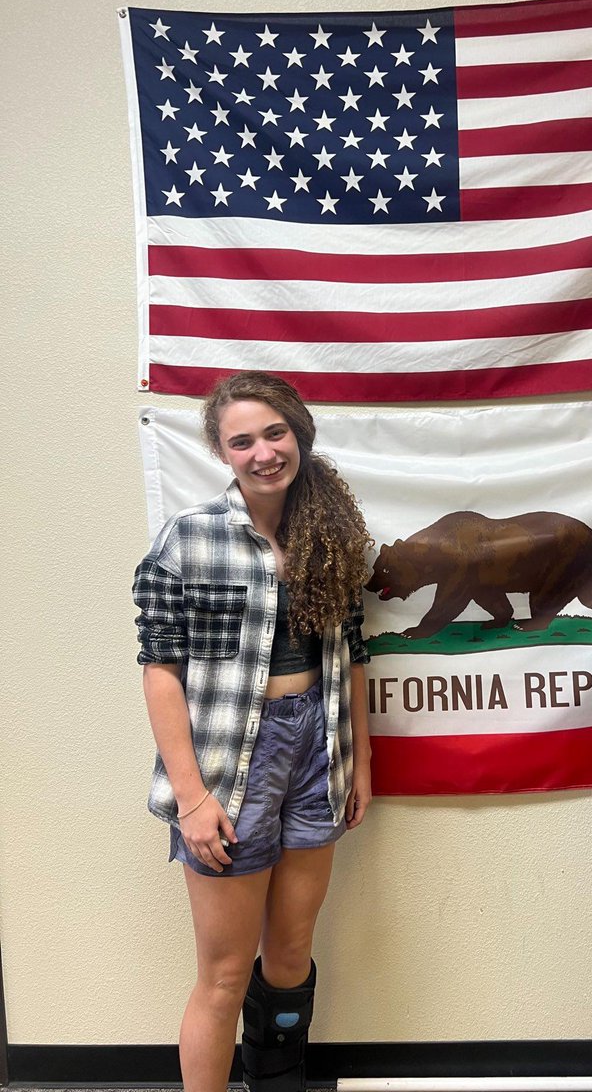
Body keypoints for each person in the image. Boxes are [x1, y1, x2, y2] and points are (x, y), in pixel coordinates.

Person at [133, 372, 373, 1092]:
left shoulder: (331, 534)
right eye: (243, 441)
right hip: (229, 763)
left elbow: (354, 656)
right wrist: (191, 797)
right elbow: (159, 669)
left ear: (298, 432)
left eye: (275, 433)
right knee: (225, 973)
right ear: (221, 453)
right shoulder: (189, 538)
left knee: (291, 950)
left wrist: (359, 764)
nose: (264, 452)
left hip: (317, 752)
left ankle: (280, 1081)